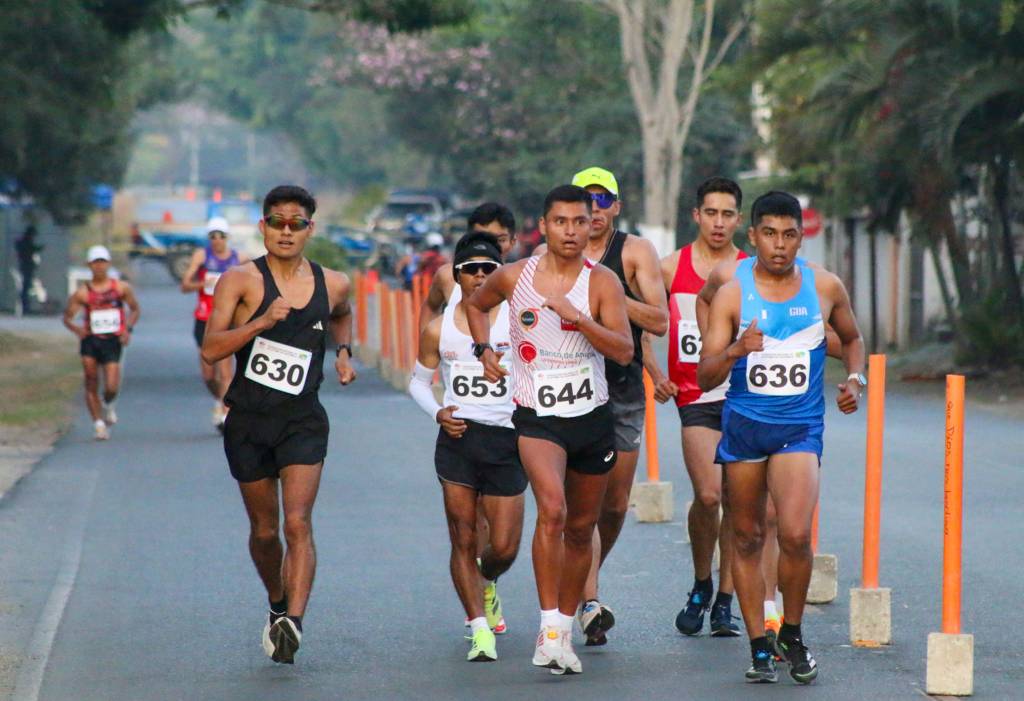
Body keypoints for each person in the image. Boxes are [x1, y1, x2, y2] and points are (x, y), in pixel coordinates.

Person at [697, 191, 865, 684]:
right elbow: (705, 376)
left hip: (799, 429)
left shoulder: (825, 286)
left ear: (801, 236)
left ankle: (791, 632)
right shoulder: (732, 292)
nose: (779, 245)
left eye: (789, 234)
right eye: (769, 233)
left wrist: (855, 381)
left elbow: (853, 339)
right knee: (746, 536)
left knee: (793, 534)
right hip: (744, 429)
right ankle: (759, 647)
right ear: (752, 237)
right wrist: (733, 350)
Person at [467, 184, 633, 675]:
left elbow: (623, 350)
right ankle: (551, 630)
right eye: (560, 222)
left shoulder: (601, 282)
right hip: (537, 416)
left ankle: (564, 623)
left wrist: (579, 319)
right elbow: (477, 304)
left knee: (582, 528)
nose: (571, 231)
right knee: (554, 511)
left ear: (591, 225)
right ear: (543, 226)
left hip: (591, 417)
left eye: (580, 222)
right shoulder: (515, 276)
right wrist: (485, 351)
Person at [201, 185, 357, 665]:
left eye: (296, 223)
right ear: (263, 227)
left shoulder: (334, 283)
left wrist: (345, 352)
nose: (286, 231)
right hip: (248, 420)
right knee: (266, 531)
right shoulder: (239, 282)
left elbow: (343, 315)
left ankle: (294, 621)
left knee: (297, 523)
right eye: (277, 222)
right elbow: (211, 349)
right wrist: (260, 323)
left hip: (303, 421)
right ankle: (276, 603)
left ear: (310, 228)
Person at [559, 166, 668, 646]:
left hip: (621, 390)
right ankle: (587, 601)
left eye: (604, 200)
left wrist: (609, 302)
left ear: (617, 207)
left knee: (616, 502)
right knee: (575, 505)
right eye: (587, 201)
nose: (595, 210)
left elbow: (660, 320)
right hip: (571, 391)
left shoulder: (636, 252)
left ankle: (579, 579)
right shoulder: (556, 255)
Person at [409, 231, 526, 662]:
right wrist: (438, 412)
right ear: (455, 275)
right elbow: (417, 383)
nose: (479, 276)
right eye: (470, 269)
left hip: (508, 439)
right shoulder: (439, 329)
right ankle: (479, 628)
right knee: (461, 536)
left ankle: (487, 580)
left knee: (504, 547)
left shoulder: (516, 318)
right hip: (458, 439)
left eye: (487, 269)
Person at [642, 176, 747, 638]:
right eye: (711, 213)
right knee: (708, 495)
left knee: (736, 499)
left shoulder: (751, 268)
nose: (719, 222)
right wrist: (655, 373)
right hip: (695, 396)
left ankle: (726, 600)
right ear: (696, 216)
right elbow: (646, 328)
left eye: (728, 214)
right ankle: (702, 582)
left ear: (738, 220)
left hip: (744, 396)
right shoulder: (670, 269)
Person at [62, 245, 141, 441]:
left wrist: (127, 329)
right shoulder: (83, 293)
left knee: (111, 386)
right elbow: (67, 317)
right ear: (89, 265)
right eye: (95, 262)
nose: (99, 266)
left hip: (112, 340)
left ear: (108, 264)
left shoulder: (120, 288)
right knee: (90, 379)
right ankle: (98, 423)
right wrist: (78, 330)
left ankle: (108, 405)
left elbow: (135, 309)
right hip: (90, 340)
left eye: (102, 262)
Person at [180, 217, 248, 431]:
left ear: (227, 237)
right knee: (209, 375)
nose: (217, 240)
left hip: (227, 320)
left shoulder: (239, 258)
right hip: (204, 319)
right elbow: (185, 285)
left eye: (221, 236)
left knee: (225, 372)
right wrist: (203, 283)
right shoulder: (202, 256)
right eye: (213, 236)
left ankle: (226, 414)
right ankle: (220, 400)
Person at [419, 203, 517, 334]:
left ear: (512, 242)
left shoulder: (521, 280)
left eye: (499, 240)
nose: (490, 246)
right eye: (480, 239)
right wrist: (425, 350)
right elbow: (430, 307)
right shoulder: (448, 277)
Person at [15, 225, 43, 314]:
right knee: (25, 288)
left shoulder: (25, 242)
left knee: (26, 287)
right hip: (26, 266)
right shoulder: (25, 242)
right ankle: (25, 307)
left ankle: (25, 307)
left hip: (26, 266)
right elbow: (29, 250)